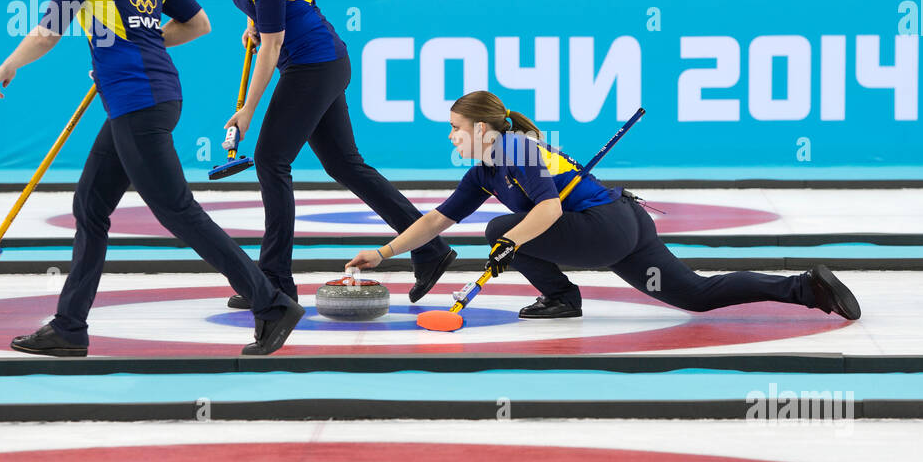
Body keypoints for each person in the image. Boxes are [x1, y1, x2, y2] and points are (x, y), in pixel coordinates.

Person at [0, 0, 303, 357]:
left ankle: (270, 303)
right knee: (90, 207)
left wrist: (10, 63)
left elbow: (49, 32)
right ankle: (70, 326)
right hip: (149, 96)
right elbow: (198, 24)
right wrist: (141, 41)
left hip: (137, 101)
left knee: (179, 211)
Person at [346, 90, 862, 322]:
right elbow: (437, 219)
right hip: (624, 230)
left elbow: (545, 214)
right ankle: (807, 288)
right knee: (696, 296)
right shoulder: (485, 168)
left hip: (606, 226)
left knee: (502, 227)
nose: (452, 139)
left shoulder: (519, 150)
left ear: (481, 129)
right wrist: (385, 252)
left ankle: (562, 298)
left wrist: (510, 241)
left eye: (456, 130)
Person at [194, 0, 456, 308]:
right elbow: (263, 6)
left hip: (313, 64)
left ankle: (274, 280)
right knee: (344, 165)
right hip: (321, 62)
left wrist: (247, 110)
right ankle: (430, 248)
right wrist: (253, 21)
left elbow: (274, 47)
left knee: (270, 160)